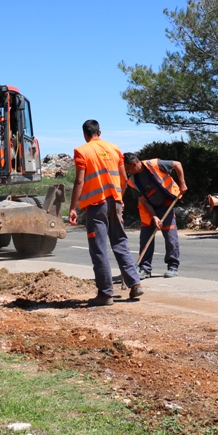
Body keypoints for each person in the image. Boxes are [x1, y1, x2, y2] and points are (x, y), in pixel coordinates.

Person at [68, 119, 144, 306]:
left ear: (85, 134)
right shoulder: (114, 149)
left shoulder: (81, 151)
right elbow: (124, 179)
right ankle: (135, 284)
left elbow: (79, 181)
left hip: (96, 206)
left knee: (99, 248)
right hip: (115, 202)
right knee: (120, 242)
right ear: (99, 133)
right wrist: (119, 199)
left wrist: (72, 207)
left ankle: (106, 293)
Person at [123, 152, 187, 278]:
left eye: (127, 168)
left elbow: (177, 164)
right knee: (146, 239)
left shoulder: (154, 164)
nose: (126, 171)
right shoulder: (132, 181)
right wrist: (154, 216)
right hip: (149, 210)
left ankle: (173, 266)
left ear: (134, 164)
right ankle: (145, 269)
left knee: (171, 237)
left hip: (166, 205)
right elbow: (143, 200)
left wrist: (182, 183)